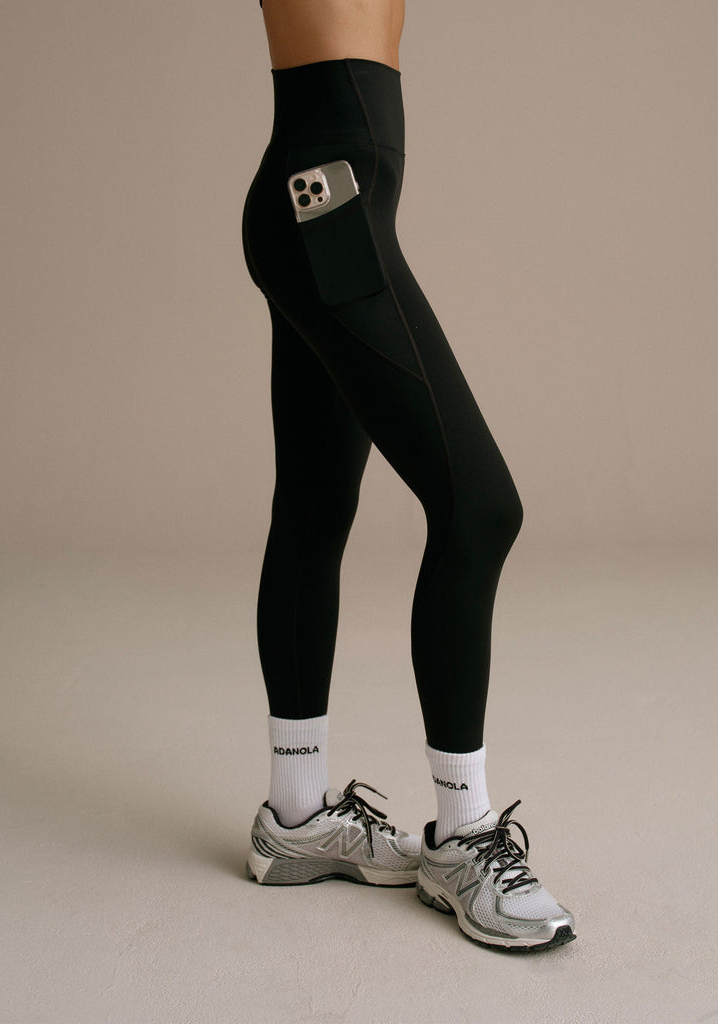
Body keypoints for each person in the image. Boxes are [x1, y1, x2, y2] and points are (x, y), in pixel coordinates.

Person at [240, 0, 576, 952]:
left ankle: (296, 818)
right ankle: (462, 835)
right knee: (480, 508)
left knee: (314, 503)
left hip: (327, 197)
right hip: (327, 199)